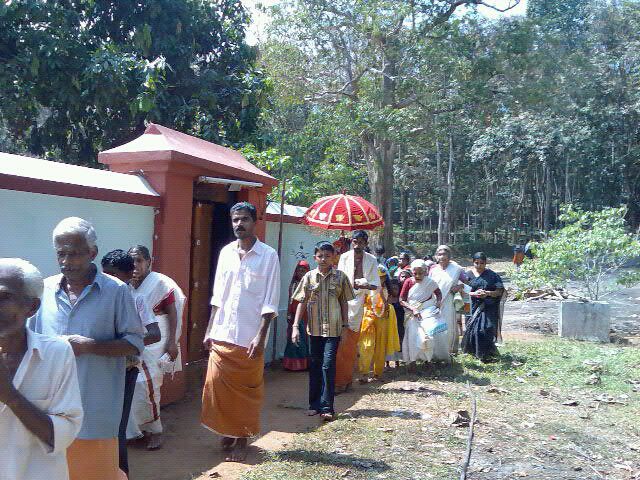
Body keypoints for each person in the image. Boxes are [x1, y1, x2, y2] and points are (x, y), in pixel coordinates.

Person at [29, 217, 144, 480]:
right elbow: (30, 341)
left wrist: (91, 346)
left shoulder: (116, 292)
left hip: (96, 411)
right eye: (61, 253)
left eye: (75, 254)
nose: (67, 261)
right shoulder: (44, 290)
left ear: (92, 253)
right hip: (51, 411)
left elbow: (135, 344)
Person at [201, 202, 280, 462]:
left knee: (246, 392)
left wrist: (260, 335)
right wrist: (209, 329)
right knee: (216, 388)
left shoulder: (268, 256)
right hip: (222, 333)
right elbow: (217, 296)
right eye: (235, 220)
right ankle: (227, 430)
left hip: (249, 337)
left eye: (244, 219)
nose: (239, 224)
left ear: (254, 222)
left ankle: (242, 438)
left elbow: (270, 301)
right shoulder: (225, 253)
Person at [0, 258, 83, 480]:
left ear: (32, 307)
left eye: (4, 297)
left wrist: (10, 397)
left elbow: (63, 436)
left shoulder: (57, 353)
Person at [101, 250, 161, 472]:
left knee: (118, 427)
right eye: (105, 274)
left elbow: (154, 333)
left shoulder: (137, 299)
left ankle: (121, 473)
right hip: (101, 368)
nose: (109, 280)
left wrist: (128, 342)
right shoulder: (98, 298)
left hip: (125, 369)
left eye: (115, 275)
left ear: (129, 275)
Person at [125, 244, 186, 450]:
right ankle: (137, 431)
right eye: (132, 260)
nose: (135, 265)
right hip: (134, 341)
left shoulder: (160, 283)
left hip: (156, 341)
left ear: (149, 262)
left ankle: (156, 431)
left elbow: (173, 313)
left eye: (139, 260)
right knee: (133, 387)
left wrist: (172, 343)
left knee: (149, 385)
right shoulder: (126, 283)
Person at [291, 242, 354, 421]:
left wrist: (345, 326)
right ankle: (314, 405)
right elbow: (301, 302)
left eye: (327, 256)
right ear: (315, 258)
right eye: (320, 256)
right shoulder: (309, 277)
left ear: (334, 257)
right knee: (315, 366)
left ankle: (327, 407)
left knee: (328, 366)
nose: (324, 259)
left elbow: (344, 302)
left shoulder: (341, 277)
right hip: (314, 329)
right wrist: (295, 326)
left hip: (333, 330)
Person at [335, 230, 380, 392]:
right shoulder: (344, 257)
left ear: (366, 244)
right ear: (351, 242)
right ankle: (341, 381)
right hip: (342, 303)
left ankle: (344, 381)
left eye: (361, 242)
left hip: (359, 304)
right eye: (355, 241)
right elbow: (339, 280)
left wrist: (365, 284)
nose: (357, 244)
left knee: (350, 344)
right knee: (340, 343)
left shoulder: (372, 260)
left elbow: (376, 285)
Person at [357, 265, 400, 382]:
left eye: (381, 277)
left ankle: (377, 373)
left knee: (380, 347)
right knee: (366, 345)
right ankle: (364, 373)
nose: (379, 279)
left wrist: (381, 293)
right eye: (376, 277)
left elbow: (387, 305)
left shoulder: (387, 290)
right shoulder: (366, 288)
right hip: (368, 319)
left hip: (382, 319)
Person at [400, 260, 444, 369]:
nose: (418, 276)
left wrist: (438, 303)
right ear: (412, 272)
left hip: (427, 314)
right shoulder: (408, 282)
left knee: (428, 336)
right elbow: (401, 300)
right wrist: (413, 309)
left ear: (425, 272)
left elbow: (438, 294)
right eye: (415, 274)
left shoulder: (430, 282)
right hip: (412, 314)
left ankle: (428, 360)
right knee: (412, 336)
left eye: (421, 273)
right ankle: (412, 362)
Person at [461, 253, 505, 362]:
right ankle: (473, 351)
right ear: (473, 262)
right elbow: (462, 292)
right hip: (470, 305)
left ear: (486, 263)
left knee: (485, 328)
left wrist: (488, 293)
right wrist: (474, 294)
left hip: (488, 306)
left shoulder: (492, 275)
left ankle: (485, 352)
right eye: (477, 263)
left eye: (482, 263)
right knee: (471, 329)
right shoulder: (467, 275)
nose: (479, 266)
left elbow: (499, 291)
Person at [429, 245, 468, 355]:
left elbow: (467, 282)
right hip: (435, 302)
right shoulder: (433, 269)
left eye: (445, 254)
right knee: (436, 326)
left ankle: (449, 351)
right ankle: (436, 351)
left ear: (449, 256)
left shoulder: (457, 269)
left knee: (449, 326)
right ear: (436, 256)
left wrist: (459, 286)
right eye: (439, 254)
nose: (442, 257)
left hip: (449, 301)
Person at [283, 260, 311, 371]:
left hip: (306, 316)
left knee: (303, 339)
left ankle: (303, 364)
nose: (301, 272)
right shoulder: (294, 284)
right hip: (294, 316)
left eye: (303, 270)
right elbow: (290, 300)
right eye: (299, 270)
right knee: (293, 339)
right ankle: (291, 365)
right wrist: (289, 313)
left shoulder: (309, 283)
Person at [386, 278, 405, 367]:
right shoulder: (387, 299)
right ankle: (387, 362)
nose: (394, 291)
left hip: (399, 325)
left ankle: (397, 362)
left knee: (398, 342)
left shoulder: (401, 300)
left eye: (396, 289)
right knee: (388, 341)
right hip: (389, 325)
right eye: (392, 288)